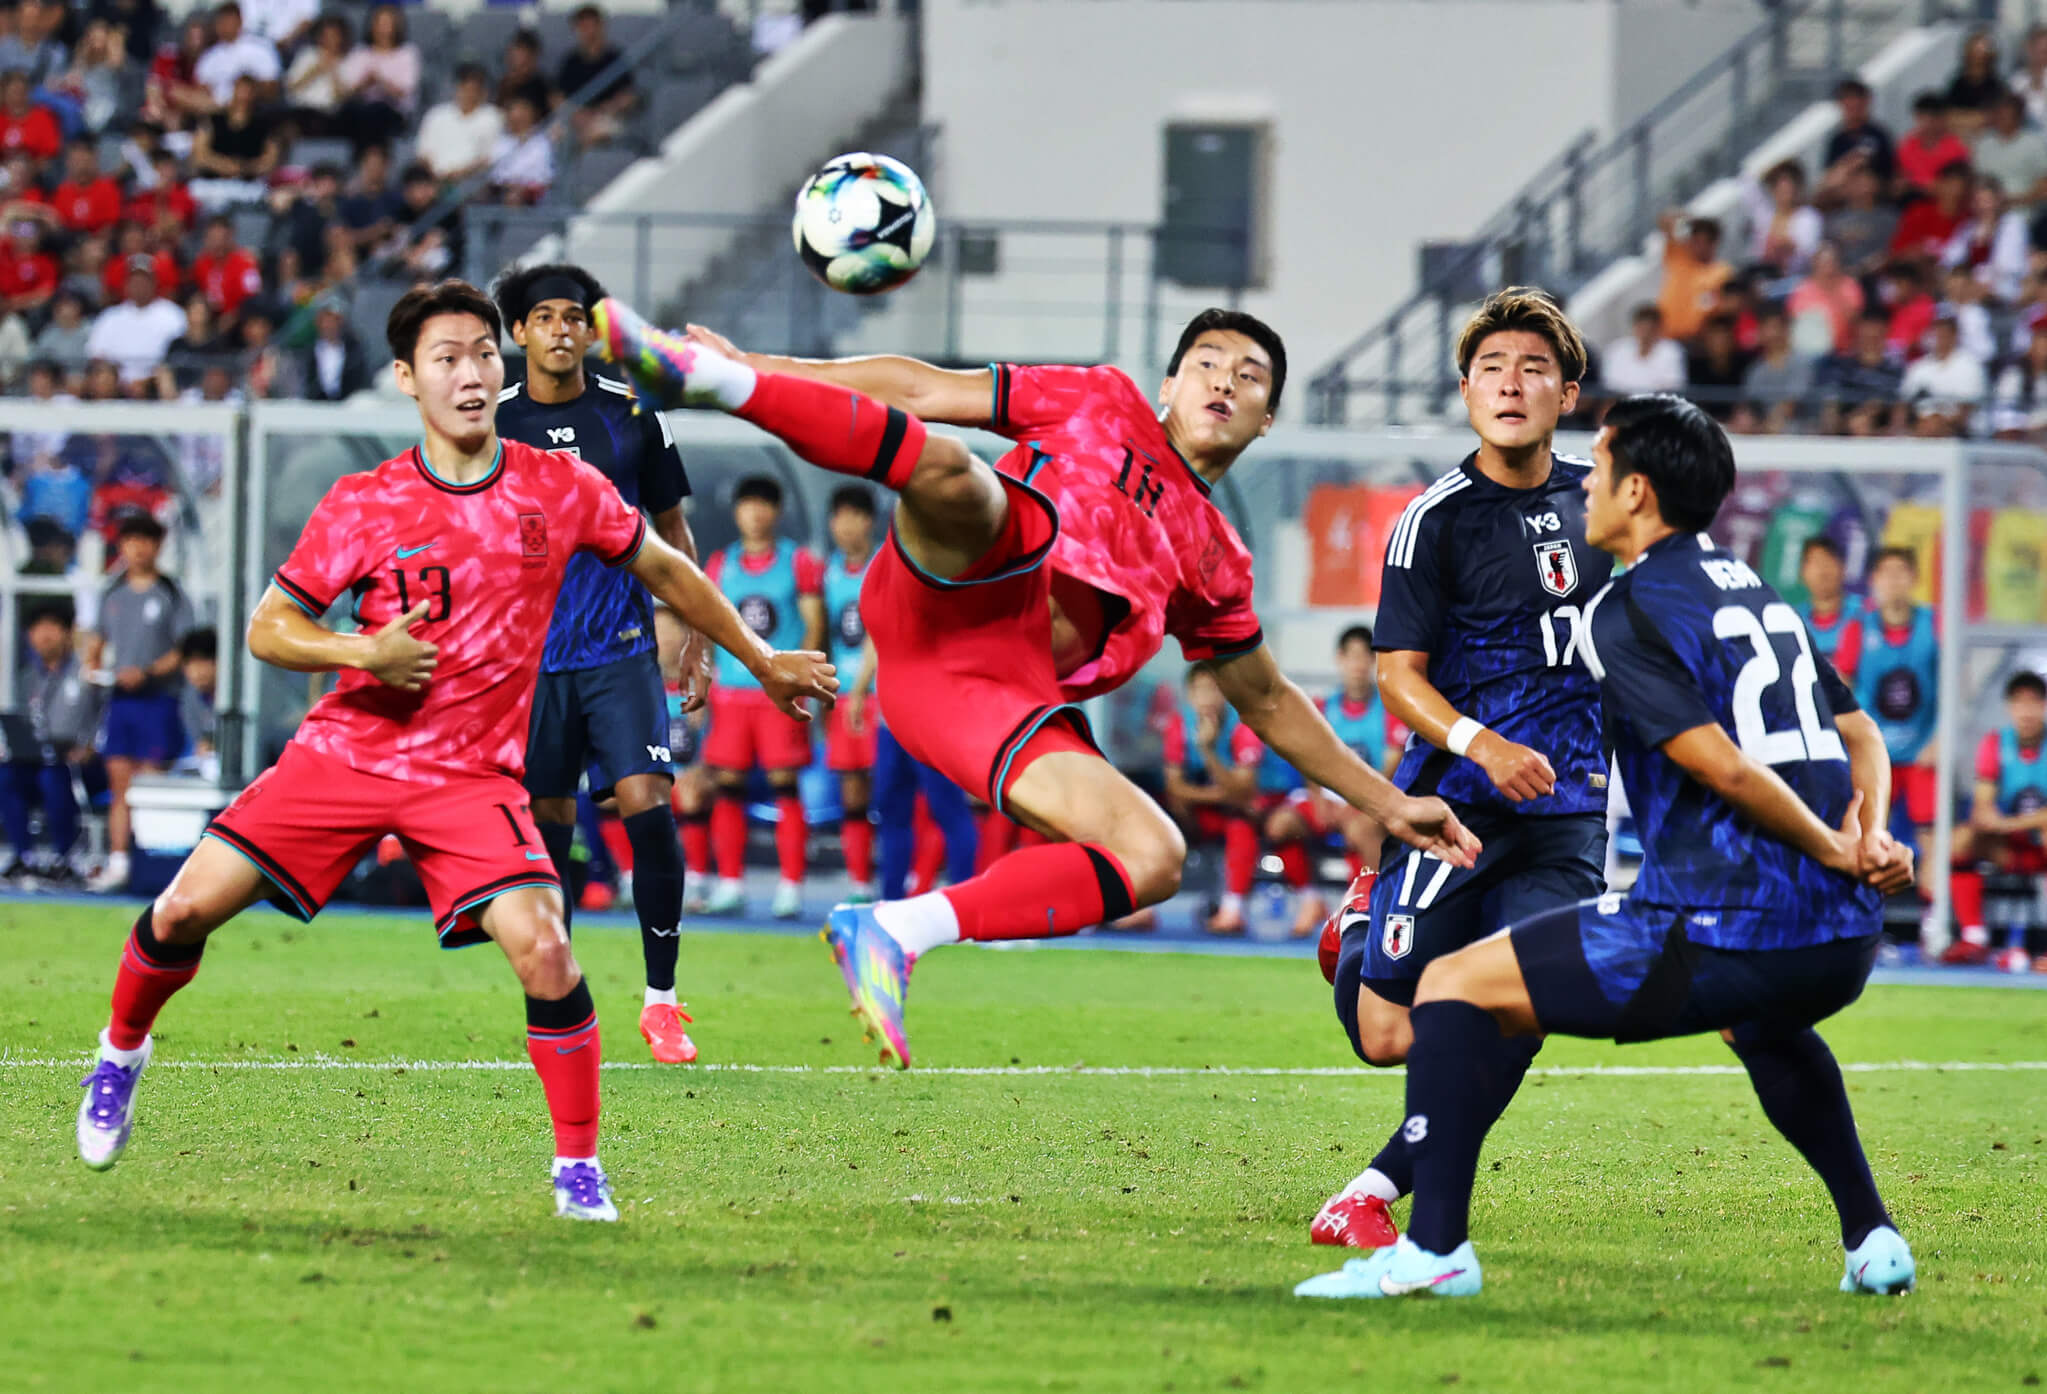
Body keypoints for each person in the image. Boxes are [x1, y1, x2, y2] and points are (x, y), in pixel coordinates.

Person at [71, 278, 836, 1220]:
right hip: (347, 755)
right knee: (183, 909)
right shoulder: (364, 502)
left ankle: (578, 1171)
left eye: (482, 354)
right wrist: (363, 652)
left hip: (471, 776)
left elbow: (667, 568)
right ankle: (119, 1054)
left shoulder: (561, 488)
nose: (471, 374)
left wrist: (759, 658)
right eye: (447, 358)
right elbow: (270, 629)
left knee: (546, 950)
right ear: (407, 378)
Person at [590, 295, 1474, 1068]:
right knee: (954, 473)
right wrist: (756, 366)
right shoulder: (1102, 400)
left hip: (978, 699)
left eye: (1249, 377)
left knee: (1154, 856)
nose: (1224, 381)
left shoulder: (1219, 559)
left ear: (1266, 419)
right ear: (1167, 384)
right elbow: (921, 389)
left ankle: (892, 930)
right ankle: (712, 382)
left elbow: (1269, 700)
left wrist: (1390, 805)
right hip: (954, 588)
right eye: (1207, 363)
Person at [1294, 393, 1917, 1301]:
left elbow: (1720, 767)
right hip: (1839, 938)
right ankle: (1873, 1241)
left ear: (1635, 492)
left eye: (1603, 466)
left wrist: (1830, 842)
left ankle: (1432, 1253)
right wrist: (1871, 836)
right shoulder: (1753, 589)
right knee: (1765, 1027)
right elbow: (1859, 730)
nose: (1584, 486)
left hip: (1709, 921)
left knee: (1455, 988)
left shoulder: (1624, 610)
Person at [1307, 290, 1614, 1253]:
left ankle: (1372, 1194)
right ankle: (1363, 922)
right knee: (1387, 1037)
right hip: (1454, 811)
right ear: (1466, 391)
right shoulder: (1430, 522)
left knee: (1524, 1002)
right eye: (1492, 369)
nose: (1511, 384)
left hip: (1570, 814)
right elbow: (1398, 677)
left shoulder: (1608, 501)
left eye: (1533, 368)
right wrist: (1483, 744)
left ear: (1567, 393)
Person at [491, 263, 704, 1065]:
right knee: (549, 827)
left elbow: (672, 528)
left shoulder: (632, 412)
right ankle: (559, 998)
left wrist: (697, 631)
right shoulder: (491, 420)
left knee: (647, 802)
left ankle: (662, 1003)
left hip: (621, 649)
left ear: (590, 329)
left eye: (573, 316)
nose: (559, 329)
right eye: (543, 316)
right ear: (518, 332)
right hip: (531, 661)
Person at [1263, 623, 1401, 938]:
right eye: (1351, 656)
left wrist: (1356, 801)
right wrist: (1316, 797)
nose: (1358, 665)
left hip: (1368, 801)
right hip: (1328, 797)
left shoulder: (1389, 710)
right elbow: (1308, 758)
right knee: (1280, 825)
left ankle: (1369, 910)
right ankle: (1310, 900)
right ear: (1340, 659)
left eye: (1364, 657)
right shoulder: (1322, 708)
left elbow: (1390, 769)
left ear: (1373, 661)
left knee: (1361, 830)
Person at [86, 511, 191, 893]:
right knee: (120, 782)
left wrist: (146, 673)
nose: (138, 549)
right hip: (120, 702)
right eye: (131, 541)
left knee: (150, 782)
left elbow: (183, 649)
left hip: (157, 700)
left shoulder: (170, 594)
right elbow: (96, 640)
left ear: (157, 546)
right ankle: (119, 861)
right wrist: (94, 664)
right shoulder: (111, 593)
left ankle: (153, 861)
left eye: (145, 541)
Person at [1161, 661, 1265, 935]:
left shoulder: (1243, 725)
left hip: (1240, 812)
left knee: (1243, 819)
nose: (1208, 698)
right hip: (1198, 814)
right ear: (1190, 695)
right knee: (1159, 815)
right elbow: (1174, 787)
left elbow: (1244, 791)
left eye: (1214, 689)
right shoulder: (1178, 724)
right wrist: (1221, 795)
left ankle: (1233, 910)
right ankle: (1141, 906)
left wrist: (1207, 750)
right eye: (1201, 690)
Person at [1952, 670, 2047, 968]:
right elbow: (1983, 806)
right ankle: (1973, 937)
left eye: (2034, 703)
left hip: (2040, 844)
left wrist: (2009, 823)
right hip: (2011, 846)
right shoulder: (1996, 744)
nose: (2027, 712)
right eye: (2020, 703)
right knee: (1960, 840)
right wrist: (1997, 821)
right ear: (2009, 707)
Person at [0, 603, 99, 881]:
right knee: (6, 775)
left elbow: (103, 716)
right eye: (37, 628)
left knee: (52, 777)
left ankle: (64, 858)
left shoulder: (85, 673)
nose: (44, 635)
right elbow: (22, 724)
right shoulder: (25, 678)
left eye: (52, 627)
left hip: (79, 765)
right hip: (35, 760)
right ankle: (24, 857)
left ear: (67, 633)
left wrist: (90, 745)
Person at [1855, 547, 1939, 861]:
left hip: (1923, 752)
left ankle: (1934, 894)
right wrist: (1856, 742)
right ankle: (1867, 893)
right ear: (1874, 580)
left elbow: (1955, 686)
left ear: (1914, 578)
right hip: (1876, 751)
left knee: (1932, 837)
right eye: (1886, 573)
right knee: (1869, 831)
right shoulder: (1859, 627)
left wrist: (1939, 739)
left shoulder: (1935, 624)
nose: (1894, 580)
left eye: (1901, 572)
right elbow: (1841, 686)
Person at [822, 484, 880, 901]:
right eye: (838, 517)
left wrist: (861, 688)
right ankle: (861, 882)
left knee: (892, 787)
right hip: (844, 696)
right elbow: (826, 633)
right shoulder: (828, 573)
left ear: (869, 521)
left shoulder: (885, 566)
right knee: (852, 789)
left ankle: (908, 877)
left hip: (883, 694)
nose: (845, 526)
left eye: (854, 516)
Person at [1795, 536, 1863, 680]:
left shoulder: (1865, 613)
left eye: (1828, 560)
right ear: (1802, 573)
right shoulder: (1792, 622)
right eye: (1815, 562)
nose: (1822, 571)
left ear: (1843, 568)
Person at [1656, 212, 1731, 342]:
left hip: (1698, 340)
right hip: (1666, 338)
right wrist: (1689, 222)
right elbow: (1665, 222)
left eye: (1706, 241)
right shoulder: (1679, 259)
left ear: (1714, 244)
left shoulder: (1722, 272)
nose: (1700, 246)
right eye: (1695, 240)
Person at [1599, 303, 1685, 396]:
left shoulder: (1672, 351)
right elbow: (1610, 386)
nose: (1646, 333)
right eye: (1642, 327)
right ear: (1634, 327)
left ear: (1659, 328)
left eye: (1650, 329)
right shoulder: (1616, 349)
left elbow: (1672, 387)